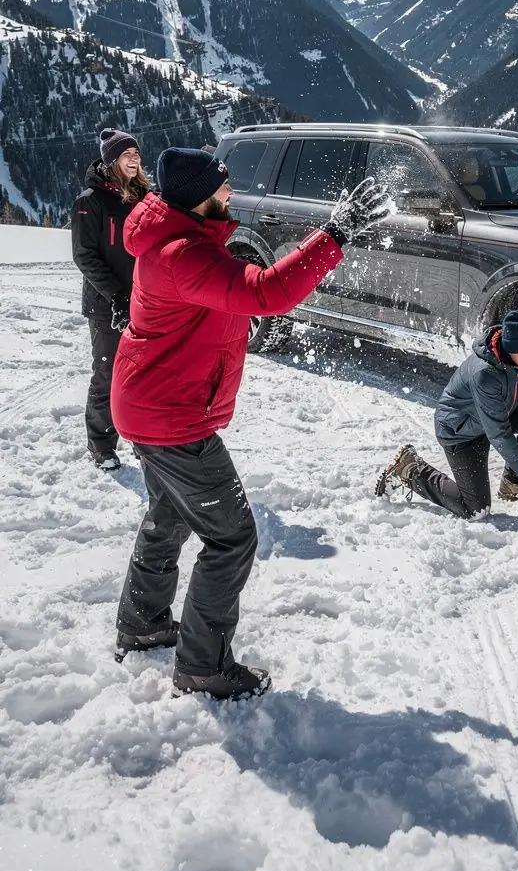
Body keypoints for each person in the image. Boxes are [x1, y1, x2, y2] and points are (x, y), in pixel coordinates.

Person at [112, 147, 388, 700]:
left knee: (169, 514)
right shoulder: (183, 253)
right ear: (198, 197)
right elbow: (267, 293)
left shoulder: (178, 240)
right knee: (233, 537)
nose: (231, 193)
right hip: (171, 417)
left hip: (150, 404)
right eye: (223, 186)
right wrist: (336, 232)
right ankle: (201, 667)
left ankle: (143, 623)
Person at [375, 310, 518, 518]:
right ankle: (411, 469)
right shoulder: (485, 374)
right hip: (460, 431)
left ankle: (516, 482)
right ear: (511, 349)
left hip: (492, 417)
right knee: (475, 510)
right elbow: (500, 435)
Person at [70, 127, 149, 471]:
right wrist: (117, 295)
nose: (135, 159)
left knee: (141, 374)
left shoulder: (144, 195)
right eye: (127, 154)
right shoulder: (90, 200)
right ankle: (101, 445)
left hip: (143, 300)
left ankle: (142, 437)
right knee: (107, 373)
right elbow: (85, 256)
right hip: (106, 304)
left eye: (137, 154)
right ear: (112, 160)